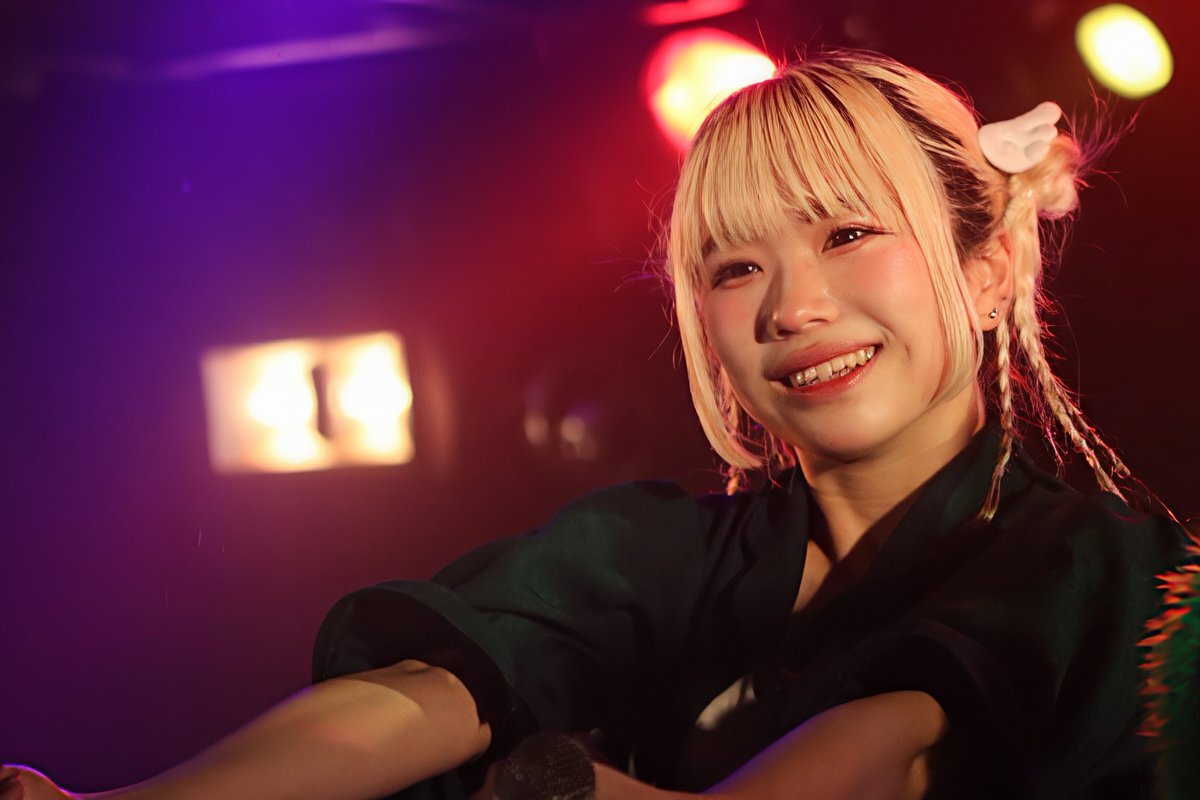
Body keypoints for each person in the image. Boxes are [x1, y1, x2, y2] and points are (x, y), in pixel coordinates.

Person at [1, 49, 1187, 800]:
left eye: (847, 234)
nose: (792, 307)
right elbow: (423, 691)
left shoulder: (1098, 564)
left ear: (987, 270)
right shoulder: (657, 548)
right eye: (734, 267)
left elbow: (888, 749)